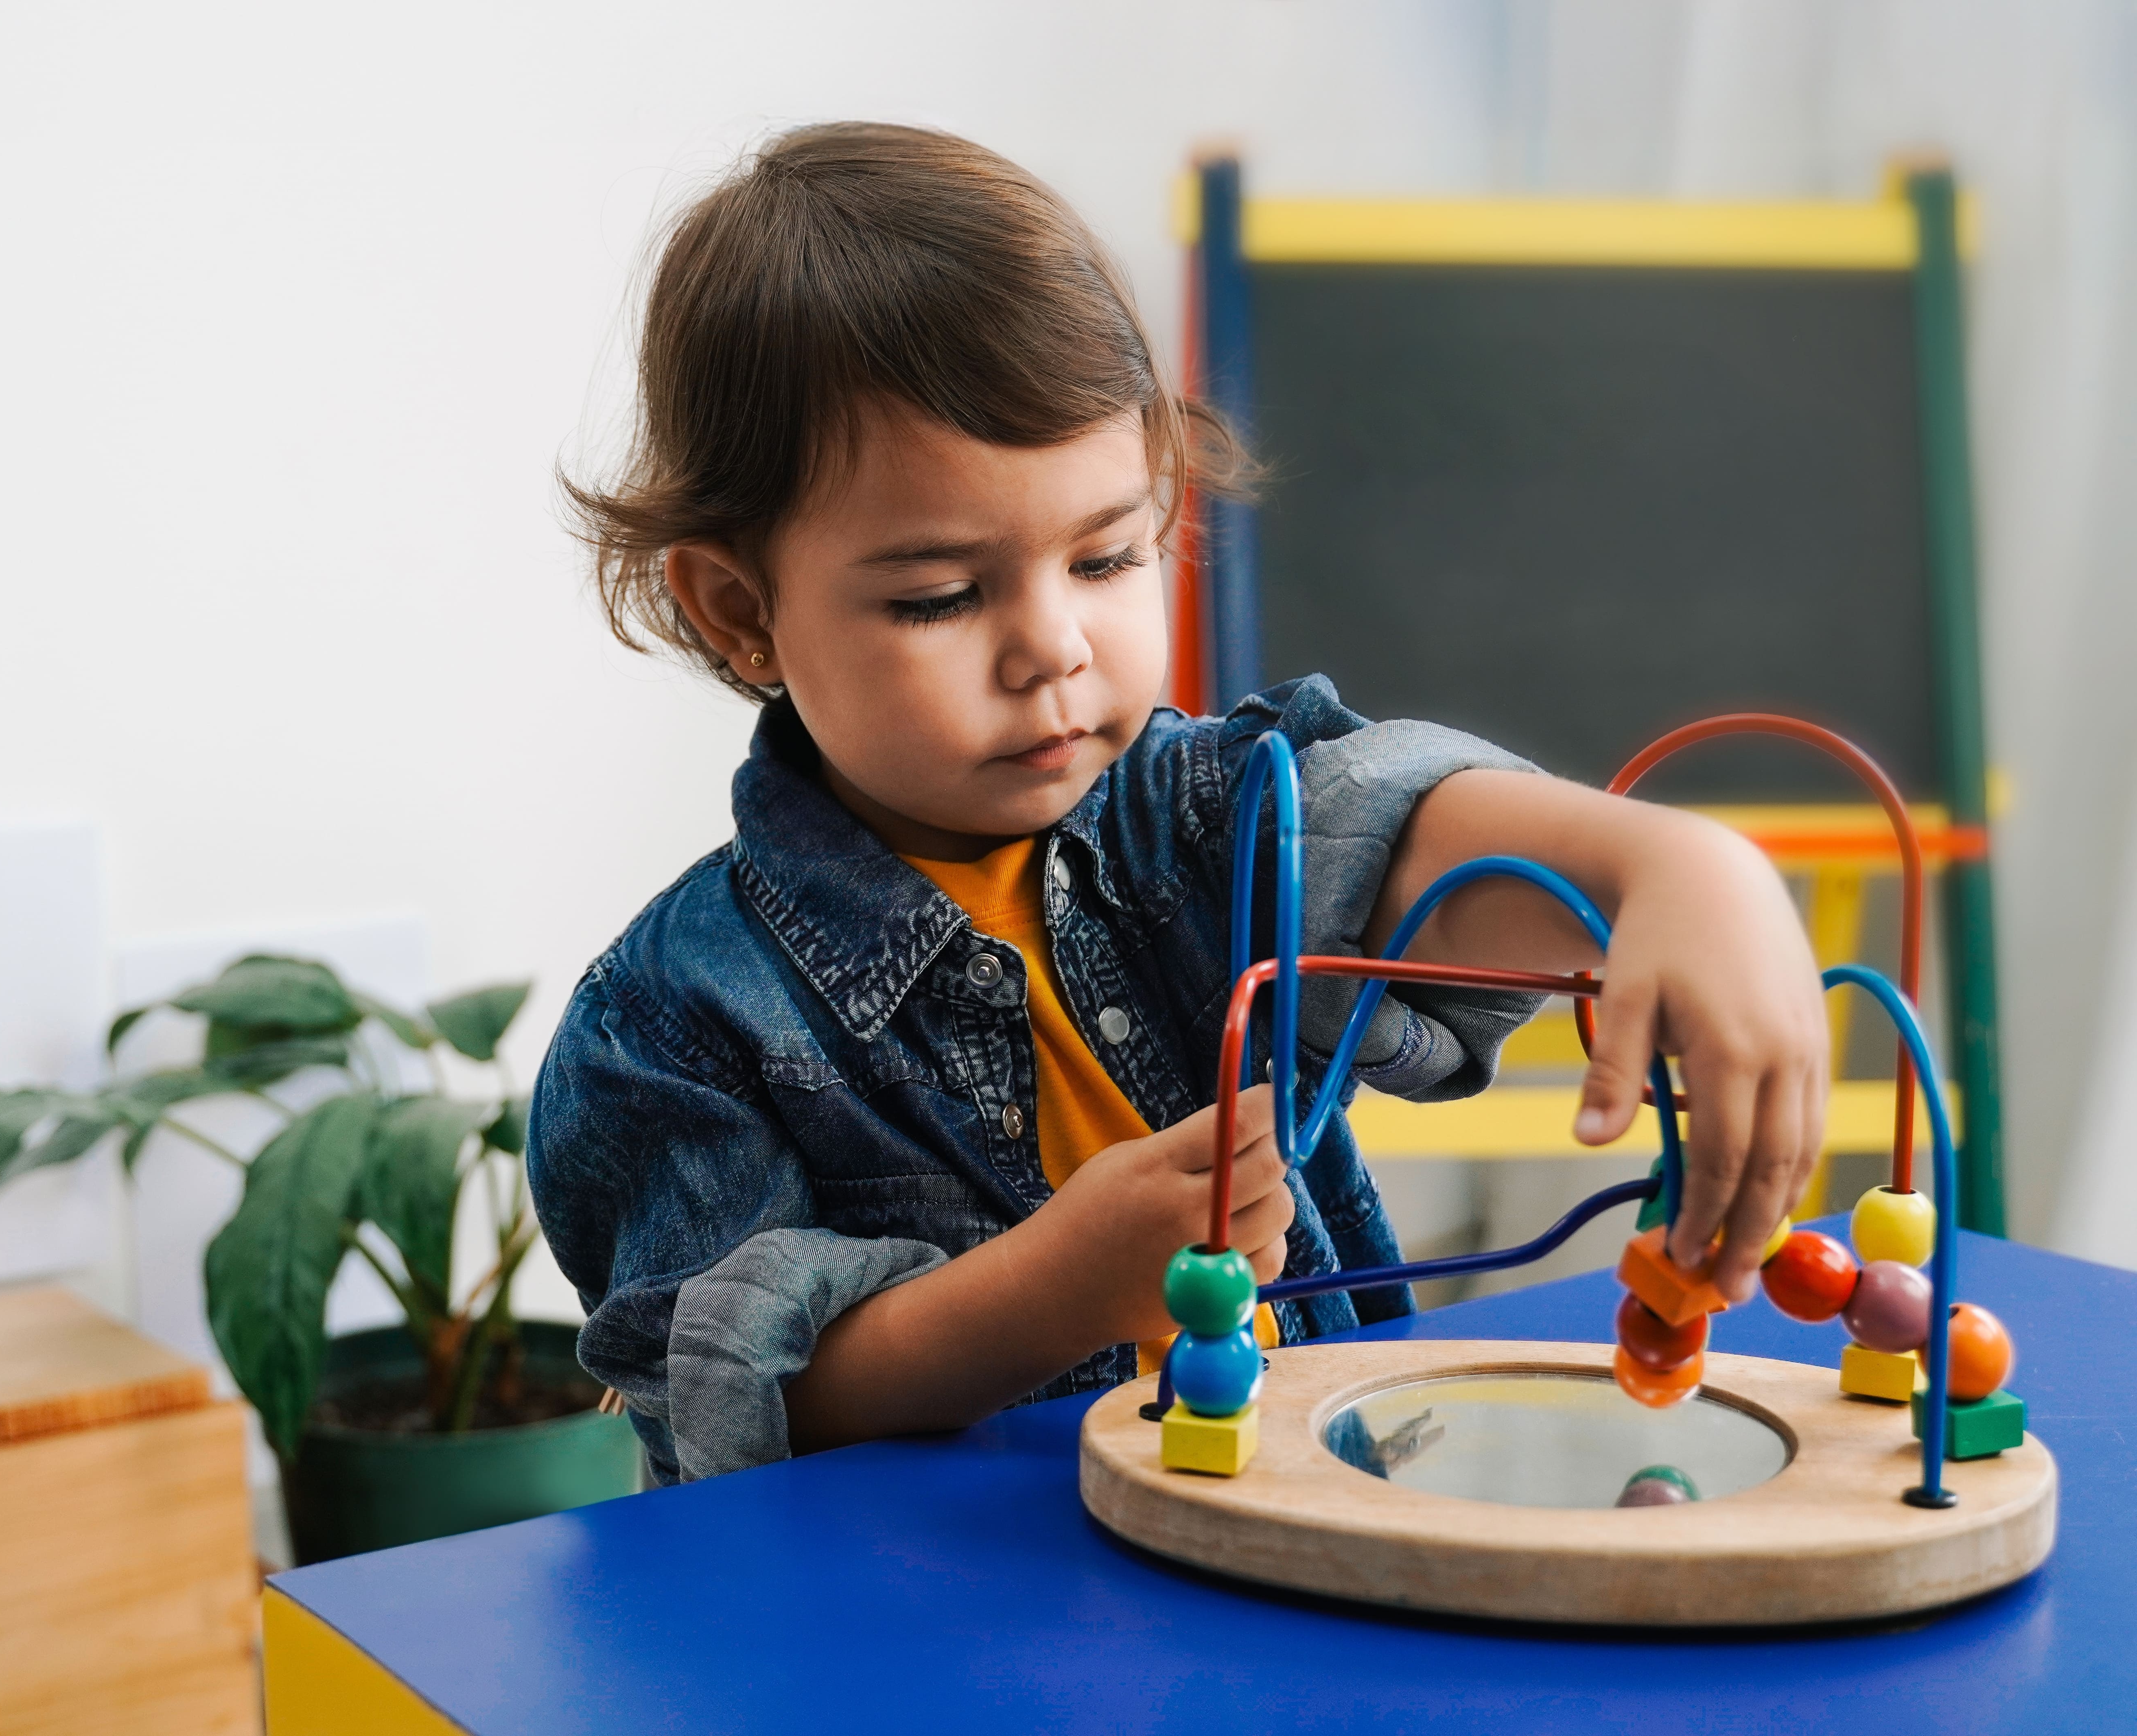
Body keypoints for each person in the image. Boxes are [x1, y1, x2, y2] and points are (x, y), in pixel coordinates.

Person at [532, 122, 1828, 1485]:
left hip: (1302, 1553)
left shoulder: (1195, 815)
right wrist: (1059, 1287)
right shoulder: (668, 1026)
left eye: (1107, 555)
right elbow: (750, 1406)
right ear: (741, 610)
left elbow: (1400, 833)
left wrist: (1675, 869)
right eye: (940, 596)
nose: (1054, 648)